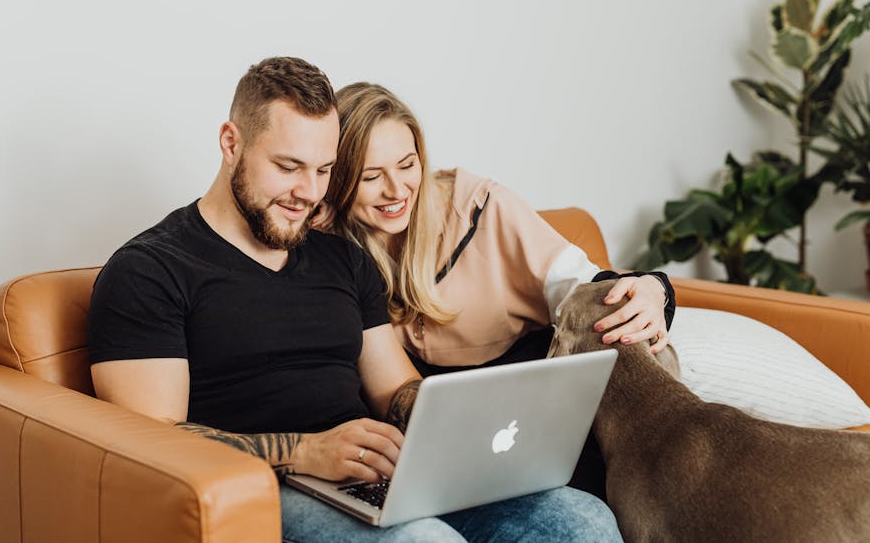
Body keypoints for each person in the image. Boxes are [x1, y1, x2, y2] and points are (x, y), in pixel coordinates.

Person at [87, 57, 623, 542]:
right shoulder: (150, 271)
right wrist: (305, 451)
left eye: (323, 171)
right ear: (231, 143)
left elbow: (395, 390)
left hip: (372, 478)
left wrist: (465, 428)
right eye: (288, 167)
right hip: (265, 490)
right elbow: (151, 442)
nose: (308, 192)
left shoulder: (342, 261)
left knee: (580, 520)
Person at [318, 82, 676, 497]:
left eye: (407, 165)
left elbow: (583, 288)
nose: (397, 190)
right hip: (451, 440)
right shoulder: (332, 250)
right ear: (339, 180)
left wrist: (655, 288)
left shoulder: (480, 208)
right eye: (371, 176)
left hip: (540, 406)